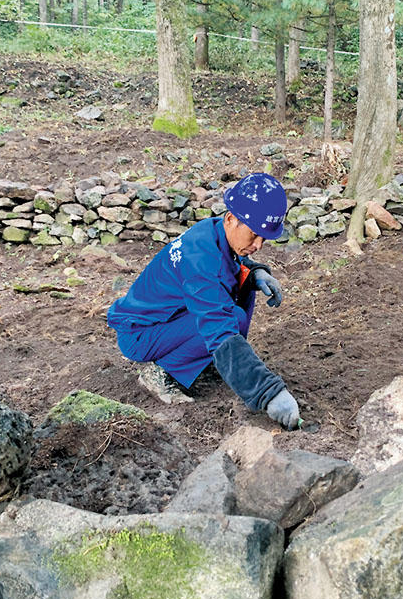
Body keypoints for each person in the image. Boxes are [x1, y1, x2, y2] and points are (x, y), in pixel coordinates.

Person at [107, 173, 302, 430]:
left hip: (168, 320)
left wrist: (254, 272)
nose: (259, 245)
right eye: (254, 235)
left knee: (240, 295)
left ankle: (205, 359)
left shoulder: (215, 231)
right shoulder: (200, 261)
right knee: (230, 321)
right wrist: (268, 393)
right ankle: (160, 373)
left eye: (264, 238)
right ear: (231, 219)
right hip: (141, 334)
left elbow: (230, 263)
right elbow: (217, 326)